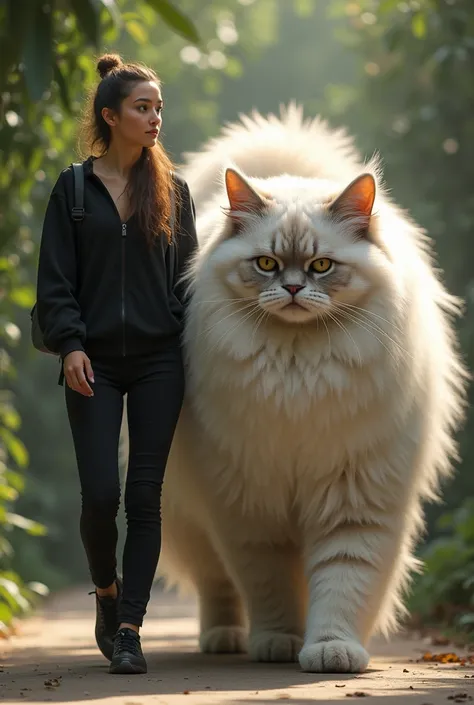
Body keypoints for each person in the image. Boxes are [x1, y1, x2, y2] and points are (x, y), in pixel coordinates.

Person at [36, 53, 197, 675]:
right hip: (93, 362)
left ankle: (129, 629)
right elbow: (55, 283)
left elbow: (187, 282)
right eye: (142, 107)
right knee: (101, 494)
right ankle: (105, 592)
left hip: (160, 360)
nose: (156, 117)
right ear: (111, 115)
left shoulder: (173, 191)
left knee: (144, 496)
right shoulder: (73, 189)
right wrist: (71, 344)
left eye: (159, 107)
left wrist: (185, 342)